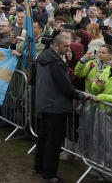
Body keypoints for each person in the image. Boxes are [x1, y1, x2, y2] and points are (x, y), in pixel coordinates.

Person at [33, 33, 97, 183]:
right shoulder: (56, 63)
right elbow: (66, 88)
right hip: (56, 106)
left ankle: (39, 166)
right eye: (65, 46)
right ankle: (49, 173)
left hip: (46, 103)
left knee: (44, 137)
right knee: (53, 141)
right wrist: (83, 95)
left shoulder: (45, 57)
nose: (68, 49)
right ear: (56, 46)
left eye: (69, 46)